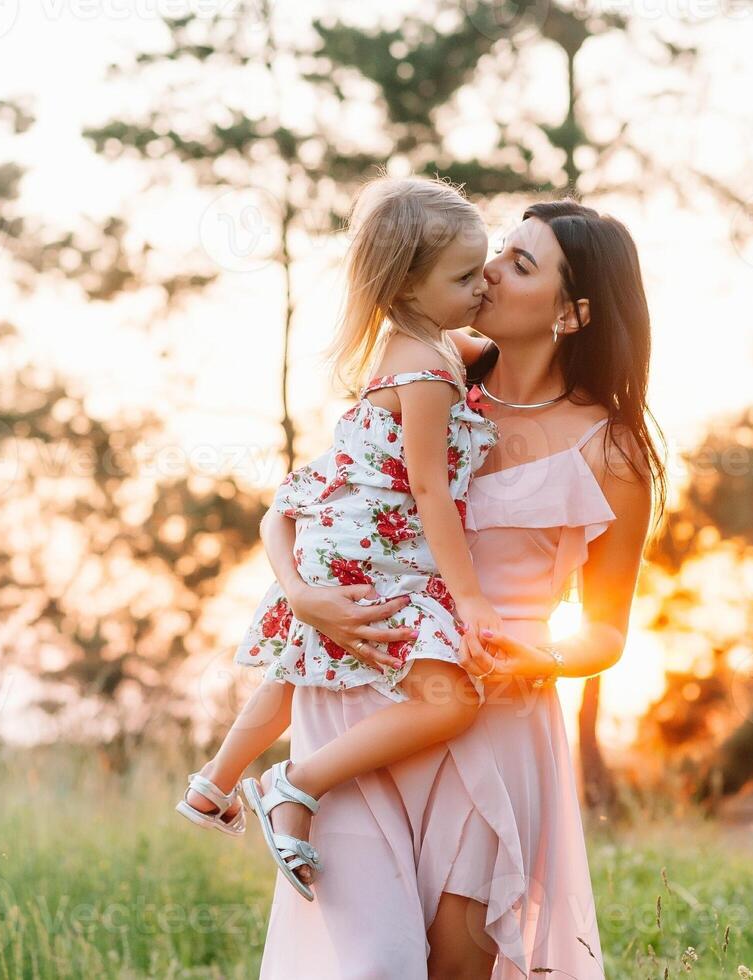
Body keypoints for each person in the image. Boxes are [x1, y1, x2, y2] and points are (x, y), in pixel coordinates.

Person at [255, 200, 667, 978]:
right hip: (368, 697)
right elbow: (313, 503)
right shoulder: (428, 379)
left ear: (573, 313)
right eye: (498, 251)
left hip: (496, 716)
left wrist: (538, 660)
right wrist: (300, 595)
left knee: (453, 968)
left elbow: (608, 632)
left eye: (520, 264)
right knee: (371, 964)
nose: (488, 271)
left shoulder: (610, 450)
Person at [174, 175, 512, 902]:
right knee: (450, 703)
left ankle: (213, 784)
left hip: (338, 538)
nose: (482, 287)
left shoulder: (421, 341)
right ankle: (294, 781)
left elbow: (478, 352)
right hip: (376, 555)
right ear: (407, 286)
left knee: (298, 669)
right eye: (463, 277)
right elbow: (429, 492)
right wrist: (472, 600)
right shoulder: (425, 373)